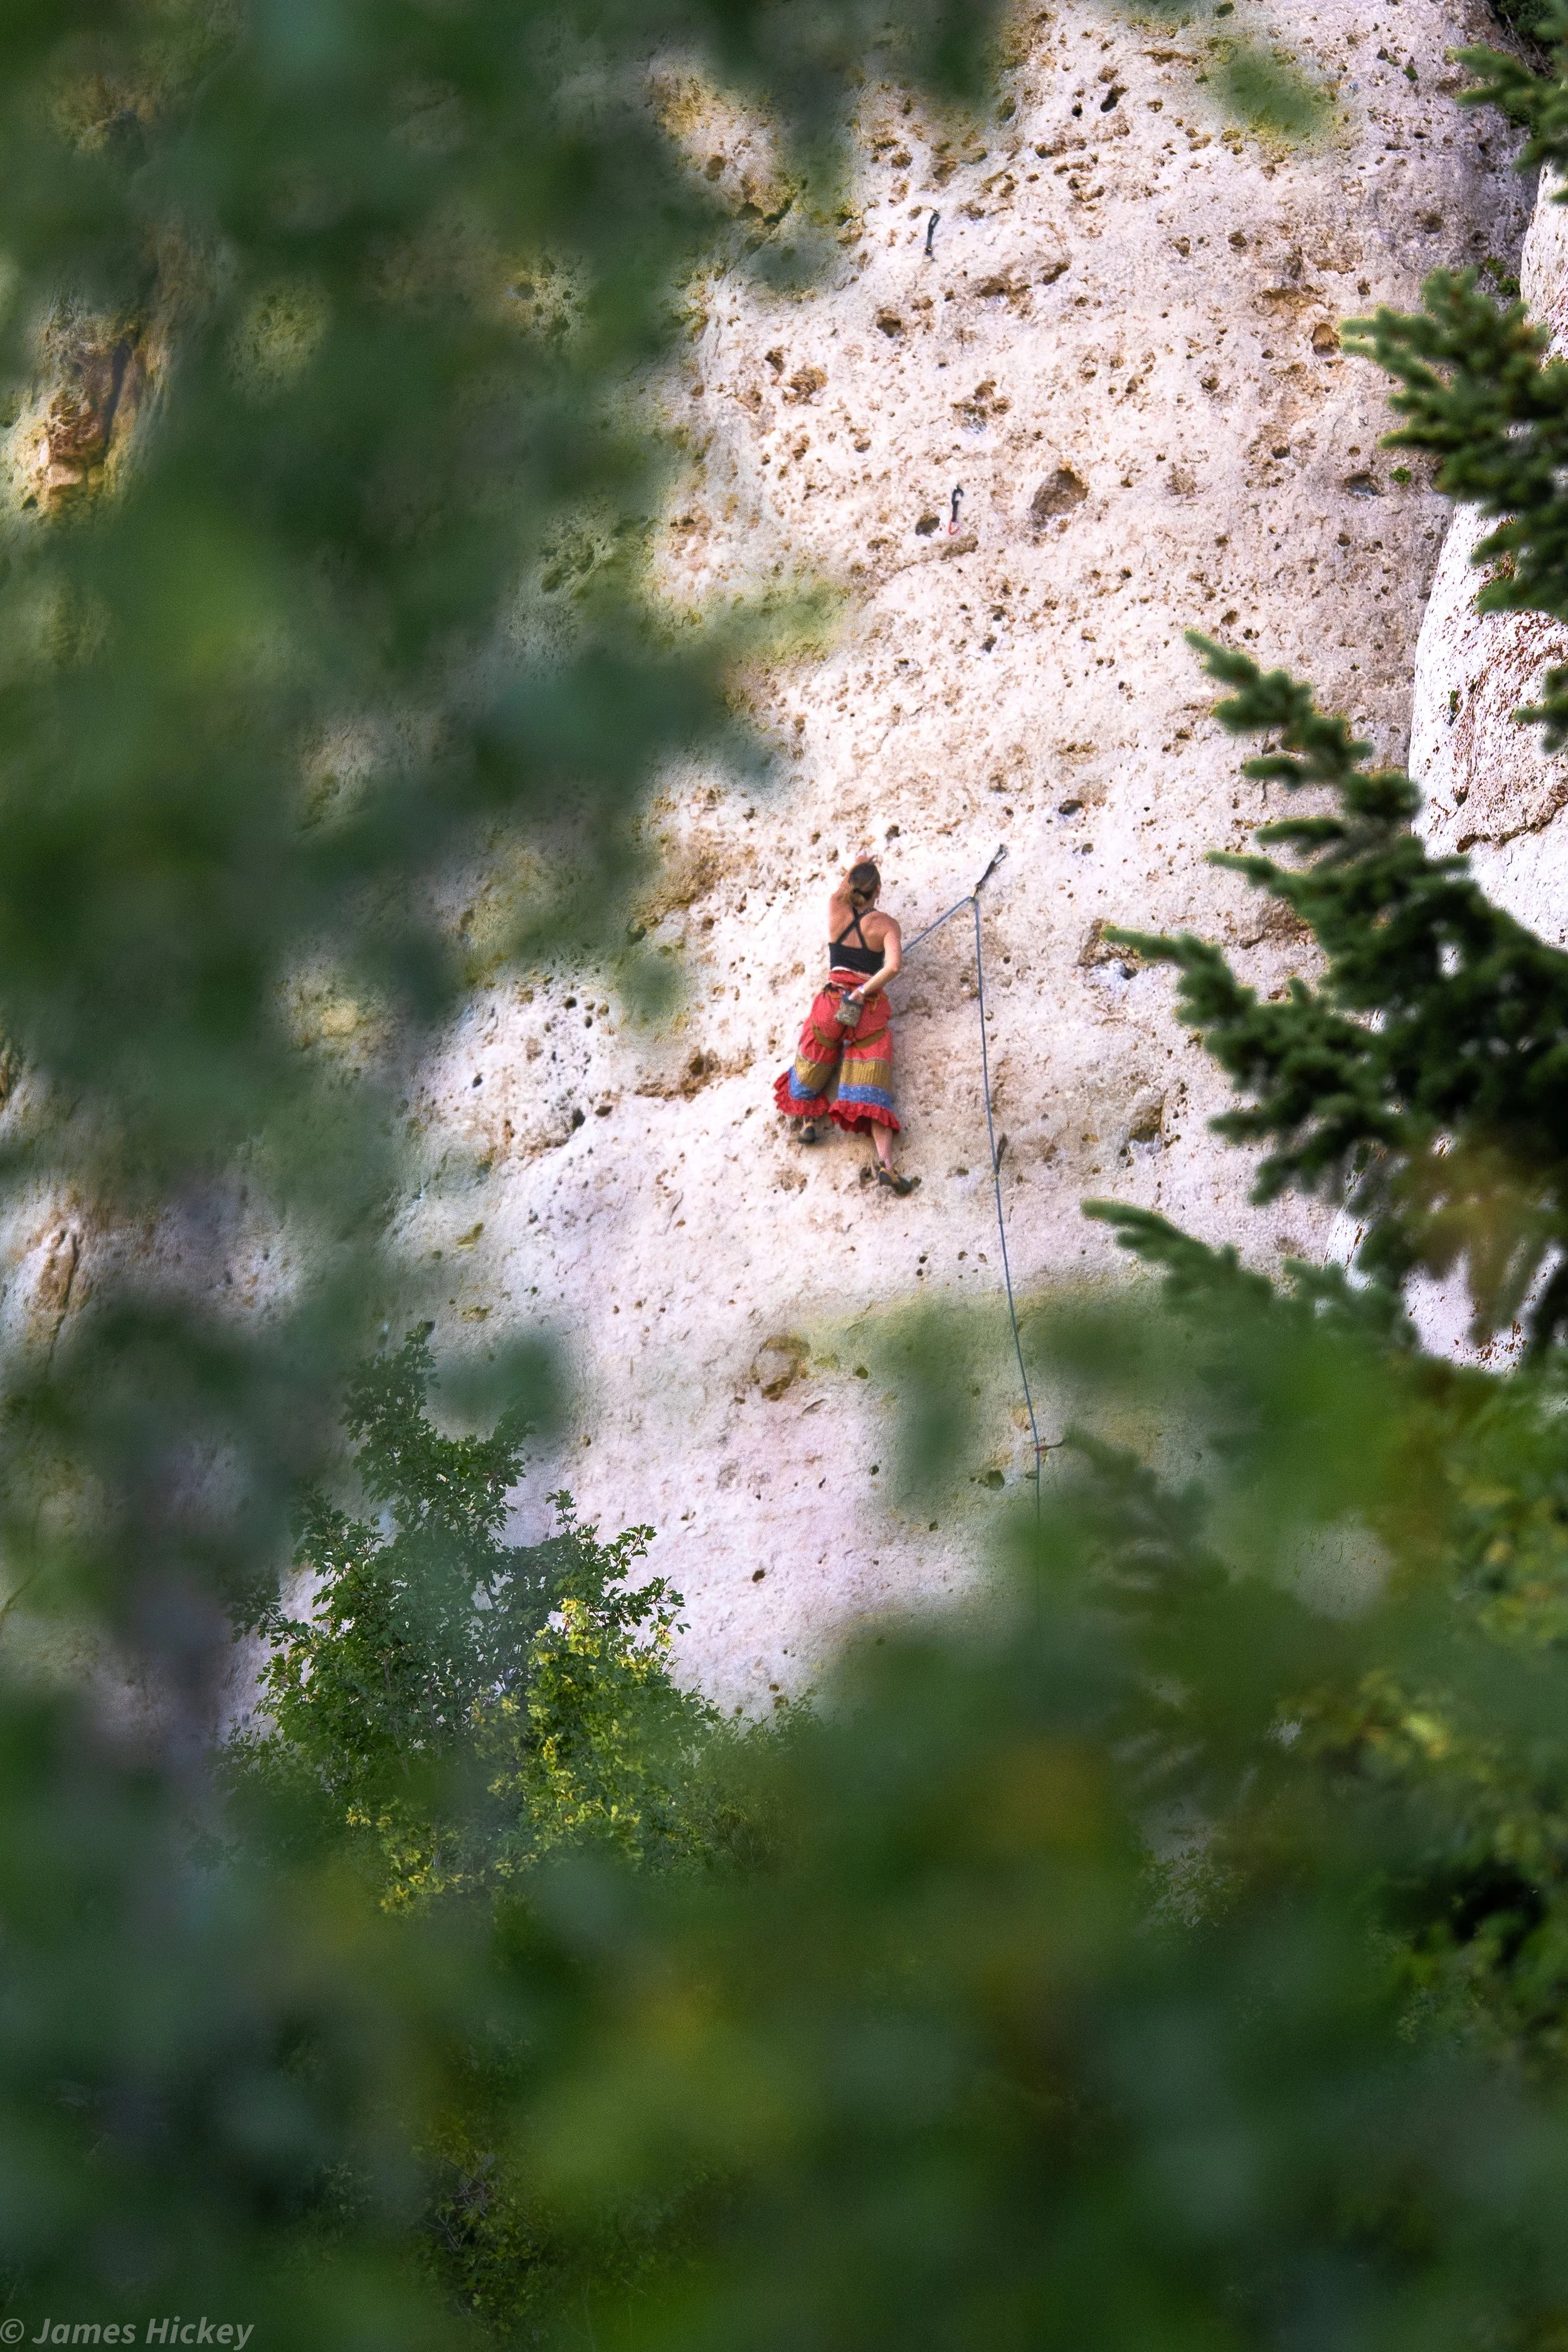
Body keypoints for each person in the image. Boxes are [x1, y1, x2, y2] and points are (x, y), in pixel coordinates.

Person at [773, 857, 917, 1195]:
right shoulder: (887, 925)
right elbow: (894, 966)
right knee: (875, 1085)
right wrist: (864, 990)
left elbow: (842, 888)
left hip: (831, 1003)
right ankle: (886, 1163)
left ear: (851, 884)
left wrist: (857, 864)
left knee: (815, 1056)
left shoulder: (835, 907)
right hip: (864, 1008)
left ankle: (809, 1120)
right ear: (879, 891)